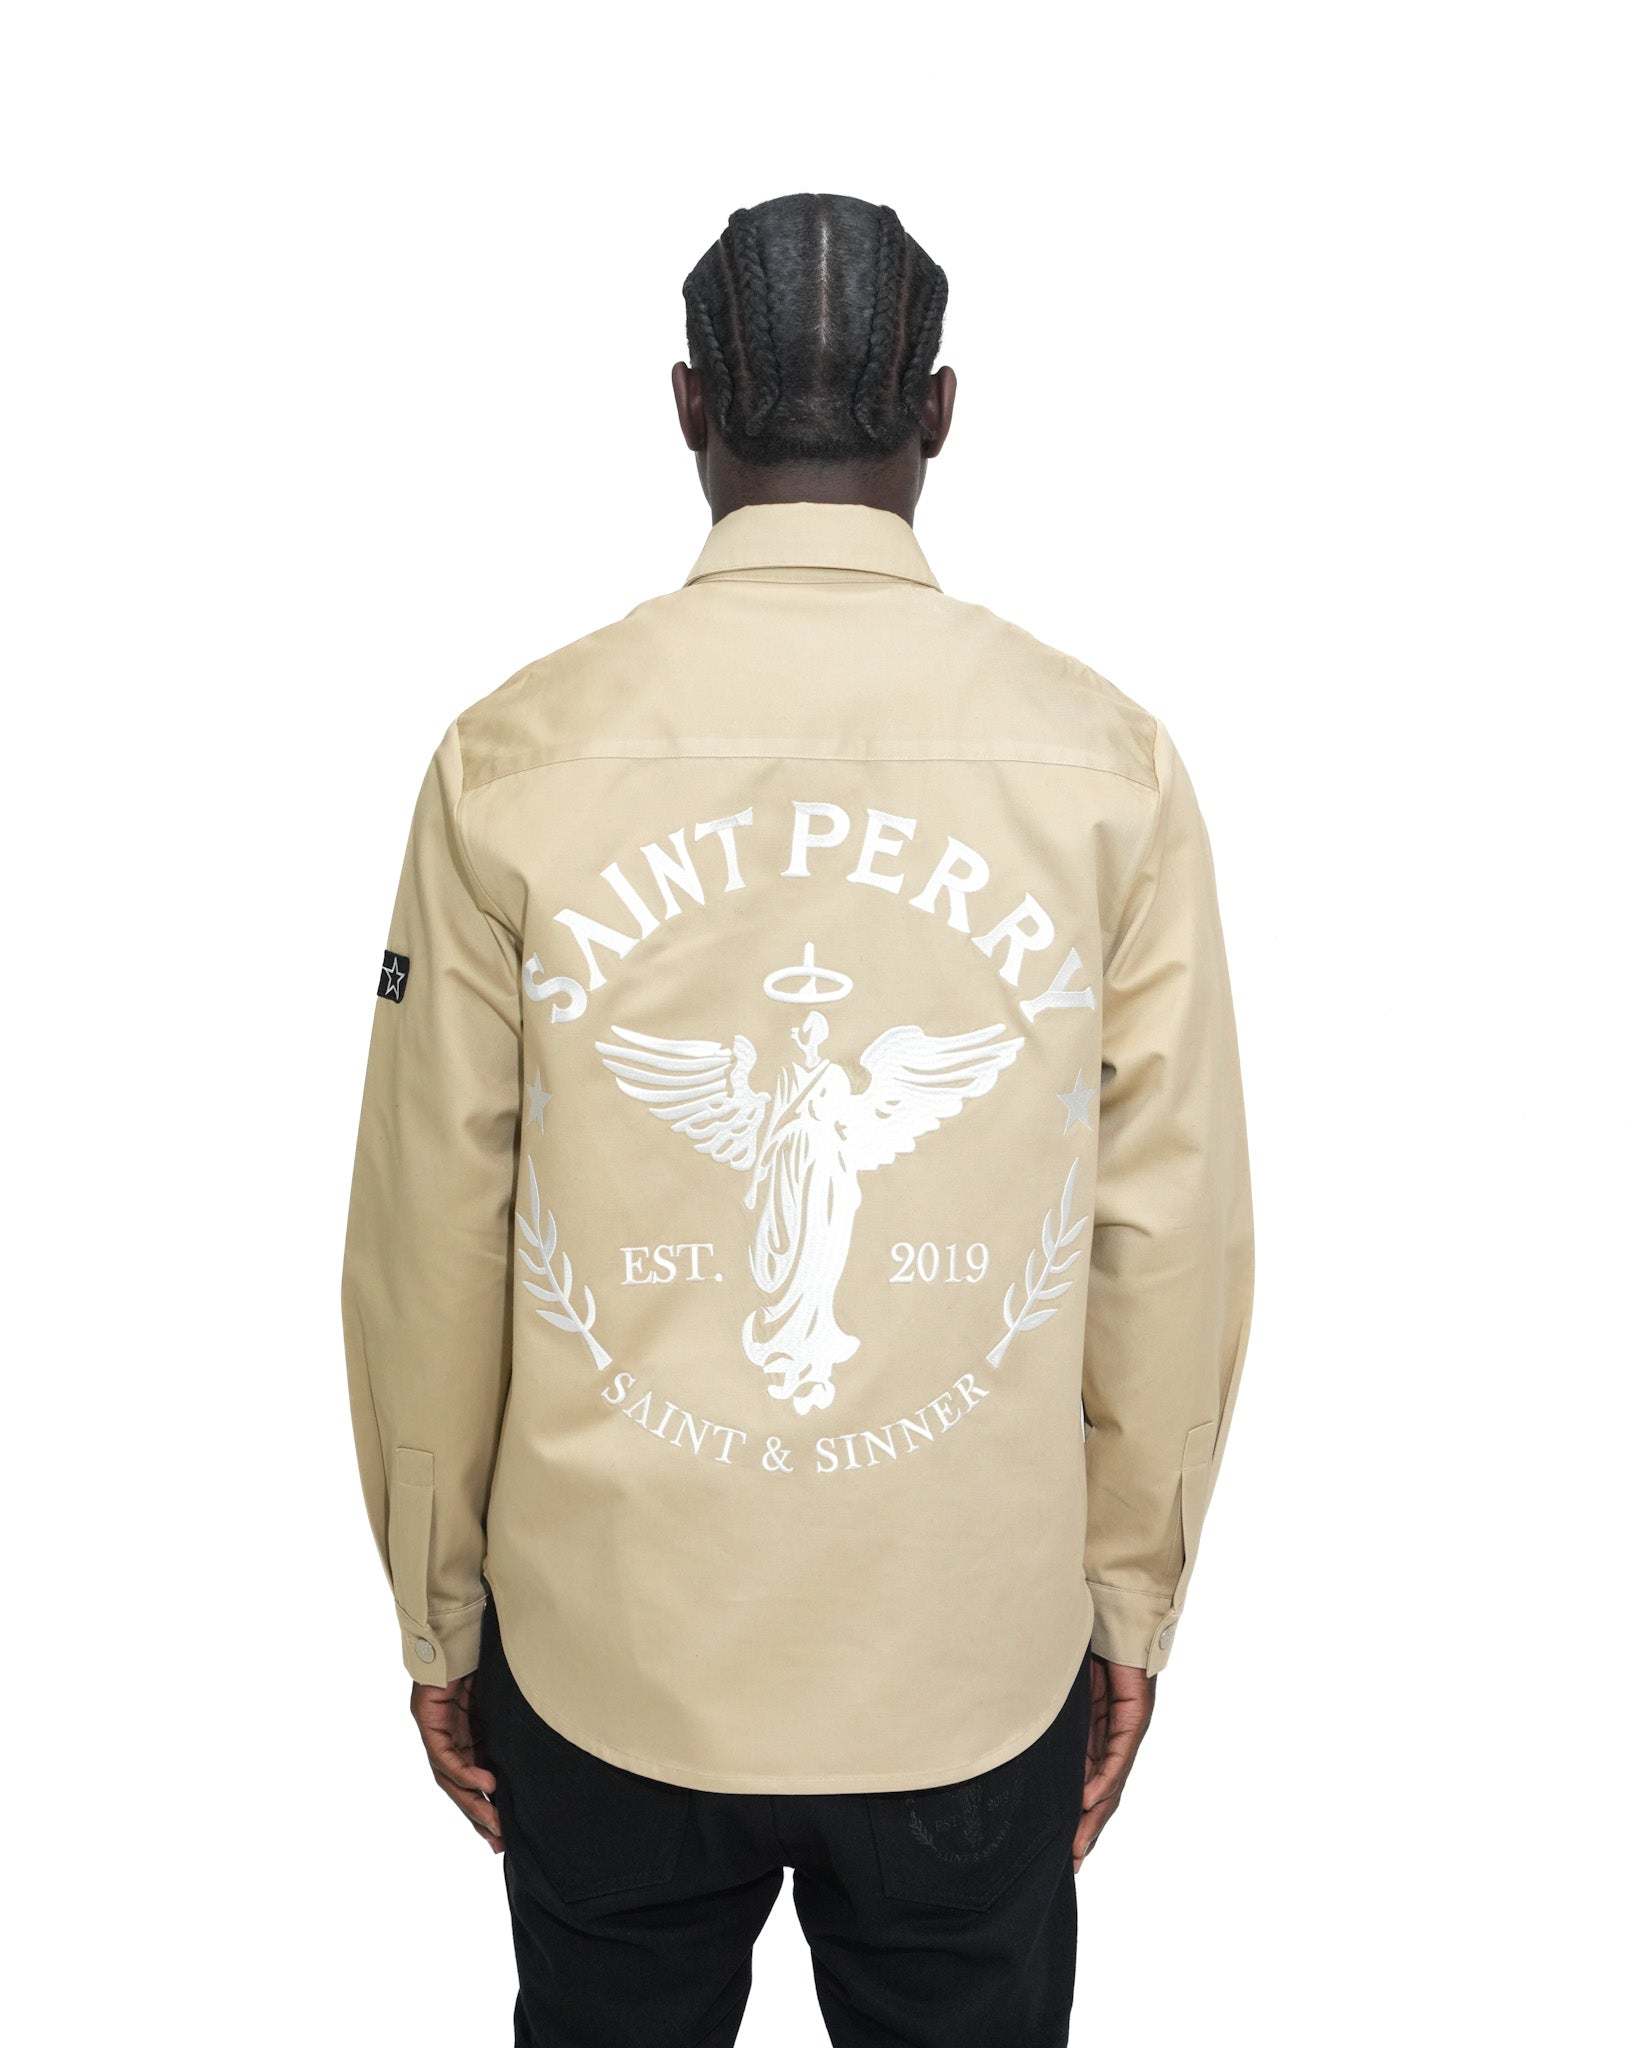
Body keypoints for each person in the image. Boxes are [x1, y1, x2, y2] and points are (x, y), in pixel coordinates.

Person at [342, 191, 1253, 2048]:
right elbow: (1168, 1229)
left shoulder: (511, 757)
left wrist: (438, 1615)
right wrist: (1125, 1603)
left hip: (608, 1657)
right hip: (967, 1665)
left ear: (687, 407)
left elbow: (430, 1231)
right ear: (940, 411)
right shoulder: (1104, 765)